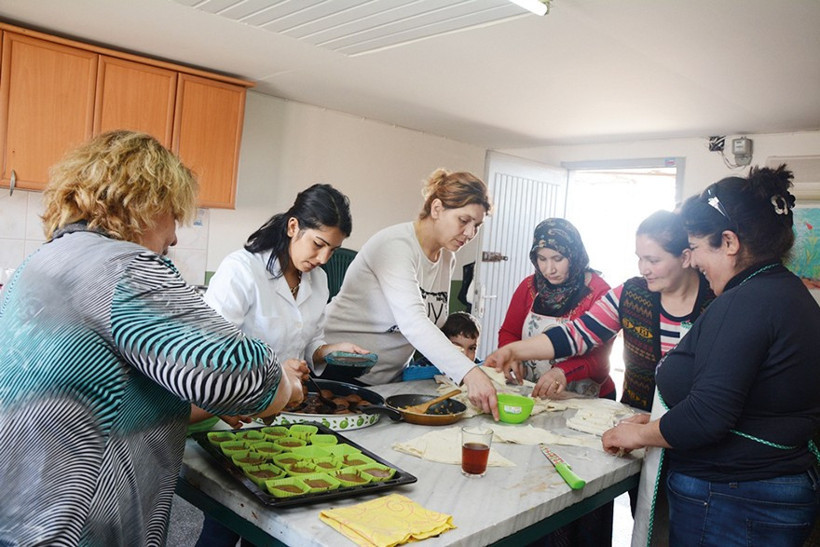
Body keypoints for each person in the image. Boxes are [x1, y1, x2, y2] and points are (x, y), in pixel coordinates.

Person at [0, 131, 302, 546]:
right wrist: (285, 385)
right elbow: (237, 373)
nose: (175, 237)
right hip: (76, 529)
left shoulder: (41, 262)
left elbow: (107, 391)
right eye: (173, 215)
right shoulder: (123, 267)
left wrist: (203, 402)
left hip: (20, 513)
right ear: (145, 202)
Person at [601, 165, 820, 546]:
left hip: (734, 496)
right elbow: (750, 398)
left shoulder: (745, 301)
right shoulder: (788, 293)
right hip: (765, 488)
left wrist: (640, 434)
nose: (694, 260)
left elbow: (708, 416)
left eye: (698, 247)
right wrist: (661, 418)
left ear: (730, 242)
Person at [485, 210, 714, 544]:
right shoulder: (631, 294)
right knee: (649, 524)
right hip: (638, 432)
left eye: (653, 259)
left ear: (686, 256)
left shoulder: (716, 302)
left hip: (696, 437)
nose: (643, 268)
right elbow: (578, 333)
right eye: (639, 258)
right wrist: (515, 351)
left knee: (691, 528)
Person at [195, 183, 368, 547]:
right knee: (226, 524)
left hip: (284, 415)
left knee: (272, 522)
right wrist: (275, 373)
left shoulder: (318, 282)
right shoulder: (242, 270)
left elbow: (309, 343)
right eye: (318, 244)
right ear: (293, 227)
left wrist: (328, 351)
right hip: (234, 416)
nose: (323, 259)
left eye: (332, 250)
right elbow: (211, 354)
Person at [323, 168, 499, 419]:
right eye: (464, 221)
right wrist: (469, 373)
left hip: (387, 381)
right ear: (437, 209)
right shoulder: (396, 247)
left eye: (477, 226)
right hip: (336, 374)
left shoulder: (447, 255)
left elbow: (432, 324)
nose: (470, 233)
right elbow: (413, 323)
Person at [498, 218, 615, 400]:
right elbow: (508, 332)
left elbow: (599, 359)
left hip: (585, 399)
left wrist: (563, 372)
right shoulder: (529, 286)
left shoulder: (599, 292)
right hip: (536, 393)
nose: (549, 269)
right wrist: (511, 354)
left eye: (557, 259)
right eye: (542, 259)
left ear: (573, 255)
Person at [403, 311, 482, 380]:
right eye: (457, 348)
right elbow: (407, 375)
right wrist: (448, 369)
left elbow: (485, 366)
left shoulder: (475, 364)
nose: (465, 355)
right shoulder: (432, 361)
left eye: (472, 348)